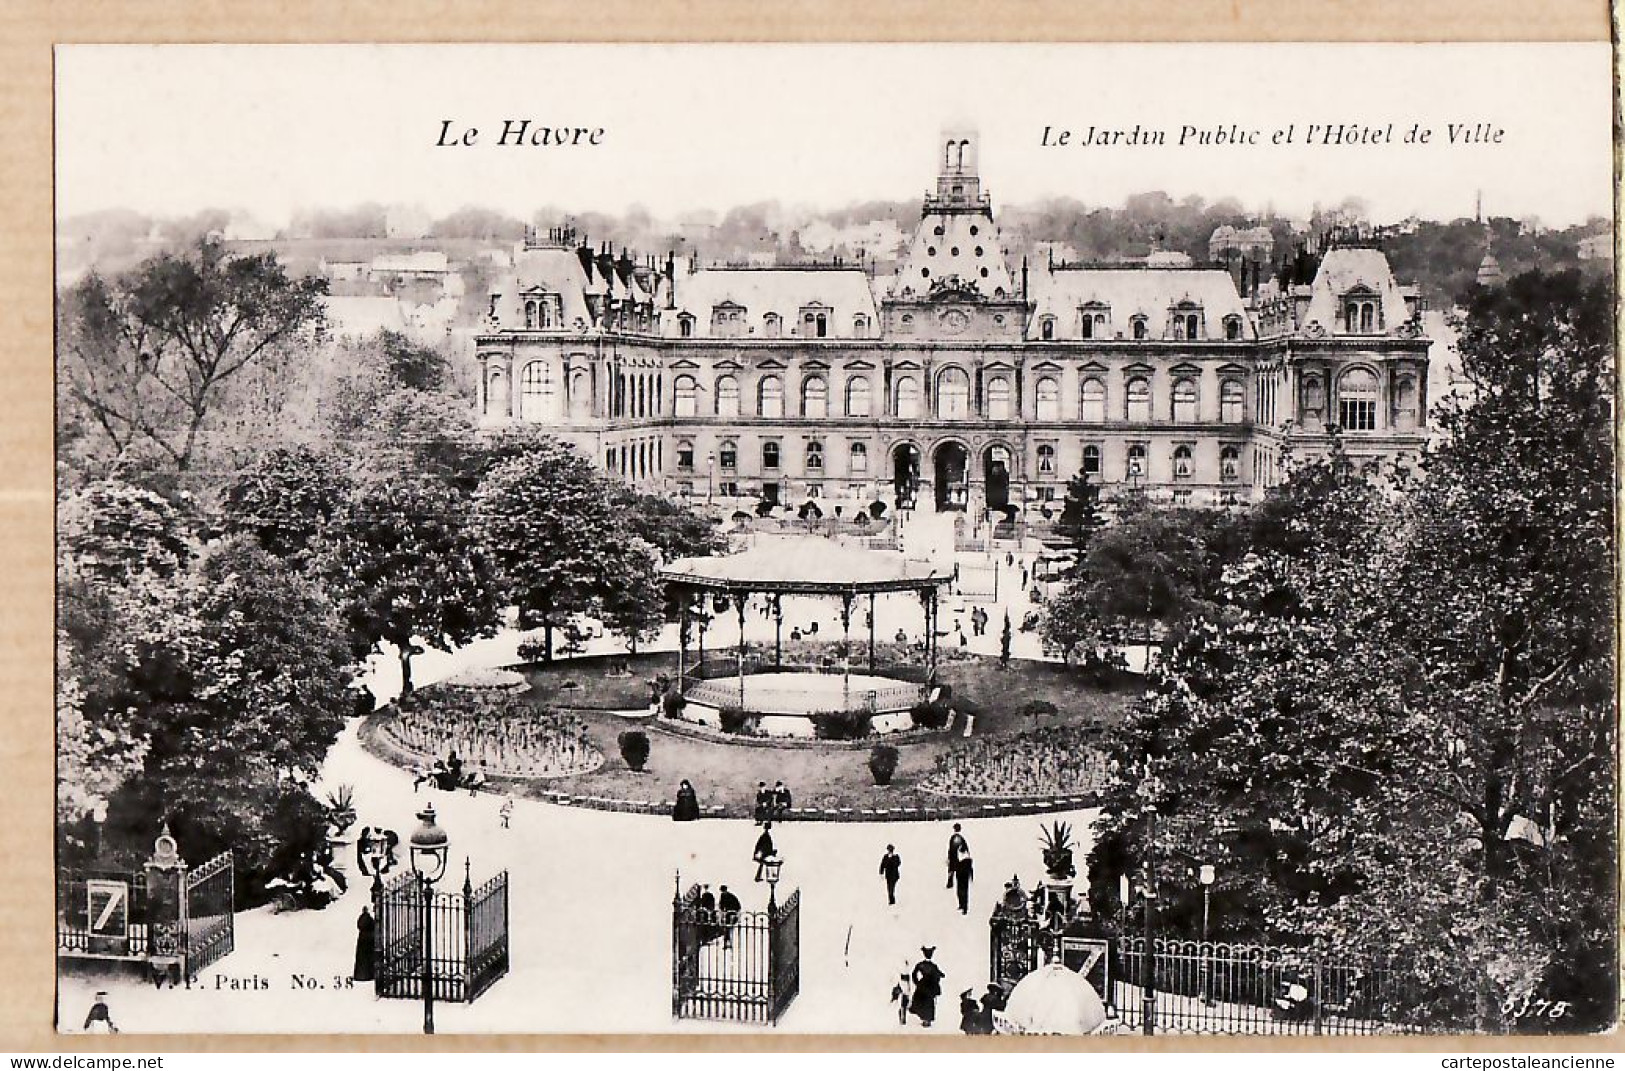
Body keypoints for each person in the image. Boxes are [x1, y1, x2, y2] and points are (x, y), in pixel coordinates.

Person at [909, 948, 945, 1028]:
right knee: (929, 1003)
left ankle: (924, 1019)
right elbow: (939, 974)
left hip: (923, 985)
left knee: (922, 1002)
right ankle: (927, 1020)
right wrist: (941, 975)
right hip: (930, 986)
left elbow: (914, 974)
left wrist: (917, 983)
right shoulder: (933, 965)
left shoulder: (920, 964)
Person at [353, 905, 376, 983]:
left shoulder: (364, 917)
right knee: (365, 960)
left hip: (364, 941)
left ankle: (364, 975)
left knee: (364, 960)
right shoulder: (366, 917)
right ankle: (365, 976)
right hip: (367, 941)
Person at [717, 884, 741, 949]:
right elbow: (721, 905)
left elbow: (738, 906)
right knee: (727, 928)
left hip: (731, 914)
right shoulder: (724, 896)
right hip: (727, 914)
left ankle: (729, 942)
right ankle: (727, 942)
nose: (723, 892)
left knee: (729, 929)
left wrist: (735, 913)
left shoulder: (730, 896)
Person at [946, 824, 968, 889]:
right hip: (959, 857)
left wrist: (949, 857)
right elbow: (964, 848)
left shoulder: (955, 837)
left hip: (954, 856)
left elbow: (951, 848)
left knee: (951, 870)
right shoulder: (960, 837)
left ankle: (950, 883)